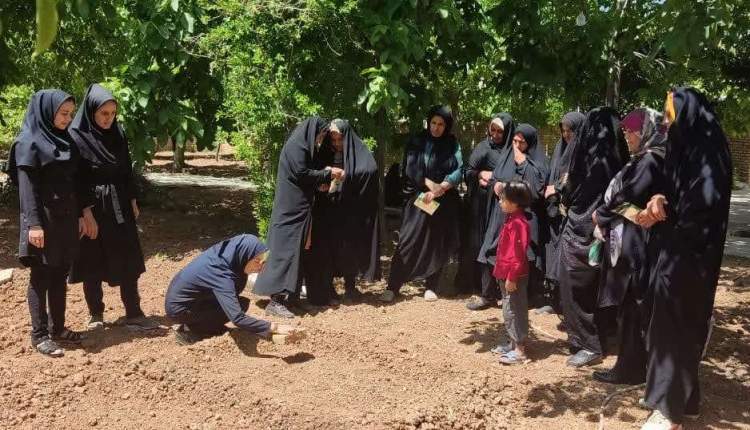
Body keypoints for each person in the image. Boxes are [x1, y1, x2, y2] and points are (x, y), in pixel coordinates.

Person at [637, 88, 731, 430]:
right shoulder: (693, 148)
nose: (664, 122)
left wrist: (666, 210)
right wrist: (661, 198)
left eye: (669, 115)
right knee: (679, 324)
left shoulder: (707, 152)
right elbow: (678, 191)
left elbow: (701, 206)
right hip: (679, 250)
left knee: (674, 327)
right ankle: (685, 400)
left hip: (690, 256)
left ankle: (668, 411)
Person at [68, 84, 158, 331]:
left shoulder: (117, 133)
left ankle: (134, 311)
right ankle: (95, 313)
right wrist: (85, 213)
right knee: (92, 259)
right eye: (103, 114)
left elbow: (126, 170)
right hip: (94, 205)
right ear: (91, 112)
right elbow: (76, 181)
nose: (109, 119)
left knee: (128, 256)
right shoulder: (77, 137)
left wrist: (132, 200)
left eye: (112, 113)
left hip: (119, 202)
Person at [6, 89, 85, 357]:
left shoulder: (64, 140)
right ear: (46, 111)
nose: (67, 119)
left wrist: (80, 216)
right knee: (41, 275)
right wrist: (34, 226)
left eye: (70, 114)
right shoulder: (28, 144)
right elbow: (27, 192)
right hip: (42, 220)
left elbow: (73, 182)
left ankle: (58, 328)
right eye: (63, 114)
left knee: (60, 273)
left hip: (64, 219)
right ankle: (39, 335)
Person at [591, 108, 666, 385]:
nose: (626, 135)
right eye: (624, 130)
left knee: (633, 308)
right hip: (633, 240)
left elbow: (628, 198)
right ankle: (632, 365)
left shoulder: (650, 161)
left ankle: (630, 369)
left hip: (637, 246)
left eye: (631, 130)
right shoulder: (643, 159)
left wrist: (602, 214)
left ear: (645, 131)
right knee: (630, 309)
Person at [252, 117, 344, 318]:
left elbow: (303, 177)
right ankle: (276, 301)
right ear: (312, 132)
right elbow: (302, 174)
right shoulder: (296, 148)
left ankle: (291, 299)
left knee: (298, 254)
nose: (320, 139)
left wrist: (318, 183)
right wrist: (328, 174)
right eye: (320, 135)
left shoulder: (302, 147)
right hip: (290, 211)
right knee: (286, 253)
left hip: (298, 210)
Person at [557, 107, 628, 367]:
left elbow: (573, 187)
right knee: (600, 285)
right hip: (607, 229)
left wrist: (567, 198)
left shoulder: (589, 155)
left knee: (575, 283)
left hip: (583, 228)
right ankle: (603, 336)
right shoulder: (620, 157)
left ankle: (589, 344)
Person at [380, 105, 462, 303]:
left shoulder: (452, 144)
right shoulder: (417, 141)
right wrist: (427, 184)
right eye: (433, 123)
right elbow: (410, 166)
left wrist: (442, 187)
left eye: (441, 124)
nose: (436, 128)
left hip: (441, 200)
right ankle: (393, 286)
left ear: (447, 125)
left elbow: (459, 169)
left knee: (436, 242)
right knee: (407, 240)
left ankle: (431, 286)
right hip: (417, 197)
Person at [165, 234, 300, 345]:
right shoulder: (221, 273)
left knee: (241, 303)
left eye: (263, 262)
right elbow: (237, 318)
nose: (260, 267)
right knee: (237, 308)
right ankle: (189, 330)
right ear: (244, 255)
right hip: (181, 310)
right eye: (256, 261)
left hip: (197, 300)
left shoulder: (229, 256)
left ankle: (206, 326)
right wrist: (274, 327)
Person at [304, 119, 380, 305]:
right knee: (327, 248)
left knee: (349, 248)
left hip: (350, 211)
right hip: (327, 208)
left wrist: (348, 177)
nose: (337, 144)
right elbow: (313, 173)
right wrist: (323, 181)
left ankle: (350, 286)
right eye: (334, 140)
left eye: (341, 140)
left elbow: (369, 170)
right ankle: (328, 287)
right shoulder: (325, 153)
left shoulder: (358, 152)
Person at [476, 124, 547, 310]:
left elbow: (536, 188)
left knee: (520, 256)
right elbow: (496, 178)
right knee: (491, 250)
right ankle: (488, 295)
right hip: (502, 215)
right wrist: (497, 185)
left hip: (525, 219)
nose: (516, 146)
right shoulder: (506, 157)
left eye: (521, 142)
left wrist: (522, 161)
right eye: (514, 141)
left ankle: (523, 298)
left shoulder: (537, 162)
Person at [463, 113, 514, 310]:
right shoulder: (483, 147)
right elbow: (469, 171)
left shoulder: (512, 150)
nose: (495, 134)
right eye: (493, 129)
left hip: (501, 205)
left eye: (500, 131)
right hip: (481, 204)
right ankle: (481, 287)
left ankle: (498, 290)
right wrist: (480, 175)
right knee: (481, 243)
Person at [544, 112, 585, 314]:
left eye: (571, 131)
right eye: (564, 131)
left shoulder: (581, 154)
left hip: (575, 215)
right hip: (556, 212)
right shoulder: (560, 150)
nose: (566, 135)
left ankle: (564, 303)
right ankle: (554, 298)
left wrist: (559, 188)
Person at [492, 181, 533, 365]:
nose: (500, 202)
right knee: (509, 308)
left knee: (515, 309)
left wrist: (512, 276)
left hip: (513, 275)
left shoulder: (519, 223)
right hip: (505, 272)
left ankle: (520, 350)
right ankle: (513, 342)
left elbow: (518, 253)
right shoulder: (511, 218)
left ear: (515, 202)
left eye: (503, 199)